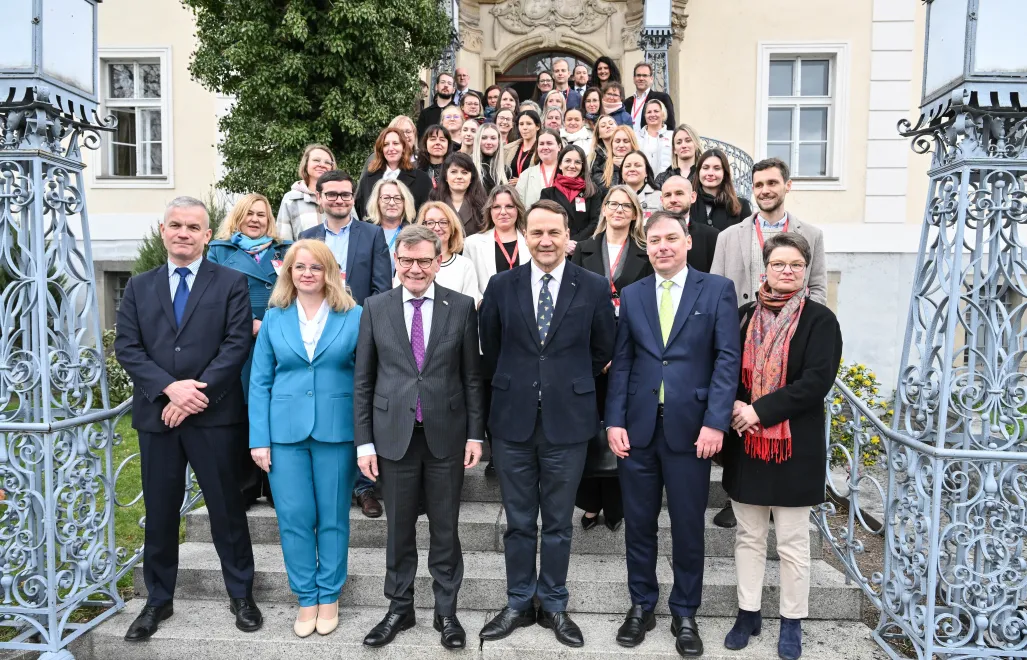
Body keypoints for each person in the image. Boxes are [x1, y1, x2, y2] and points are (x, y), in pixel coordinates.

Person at [115, 196, 261, 641]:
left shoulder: (231, 283)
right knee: (160, 512)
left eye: (193, 227)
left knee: (226, 510)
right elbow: (128, 347)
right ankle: (158, 600)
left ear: (207, 235)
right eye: (175, 225)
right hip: (159, 418)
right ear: (163, 230)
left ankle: (241, 593)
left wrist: (194, 393)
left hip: (213, 417)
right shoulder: (139, 286)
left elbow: (237, 344)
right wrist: (168, 389)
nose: (183, 233)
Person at [478, 199, 616, 649]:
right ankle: (519, 601)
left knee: (558, 522)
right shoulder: (502, 285)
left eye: (553, 232)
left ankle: (554, 602)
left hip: (568, 424)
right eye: (535, 232)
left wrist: (563, 383)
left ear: (566, 235)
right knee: (519, 522)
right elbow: (491, 349)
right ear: (525, 234)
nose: (544, 241)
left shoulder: (593, 287)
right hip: (513, 423)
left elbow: (602, 350)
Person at [605, 211, 741, 656]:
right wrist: (615, 421)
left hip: (692, 431)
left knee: (687, 527)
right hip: (638, 429)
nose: (662, 246)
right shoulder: (634, 292)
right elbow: (622, 362)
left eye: (671, 238)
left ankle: (685, 612)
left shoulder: (716, 289)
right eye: (655, 239)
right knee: (639, 525)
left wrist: (715, 422)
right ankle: (641, 605)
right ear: (646, 245)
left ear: (686, 241)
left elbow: (726, 360)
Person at [355, 224, 486, 650]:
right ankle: (399, 607)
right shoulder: (375, 307)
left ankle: (446, 612)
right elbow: (364, 381)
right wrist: (364, 442)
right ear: (396, 261)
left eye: (424, 261)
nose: (415, 268)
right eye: (407, 260)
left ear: (438, 260)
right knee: (399, 531)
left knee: (446, 529)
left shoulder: (462, 306)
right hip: (393, 437)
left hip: (446, 437)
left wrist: (475, 436)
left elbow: (471, 378)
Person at [721, 232, 842, 660]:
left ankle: (792, 622)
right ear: (765, 268)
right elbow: (725, 368)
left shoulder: (820, 320)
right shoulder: (742, 315)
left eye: (795, 265)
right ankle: (748, 612)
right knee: (749, 537)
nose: (786, 271)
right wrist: (735, 402)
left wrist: (760, 411)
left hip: (794, 448)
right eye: (778, 264)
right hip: (746, 446)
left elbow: (815, 383)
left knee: (792, 542)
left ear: (805, 270)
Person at [247, 239, 361, 639]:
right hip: (283, 435)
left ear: (328, 271)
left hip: (336, 431)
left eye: (315, 267)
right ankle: (306, 596)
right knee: (293, 518)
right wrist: (258, 439)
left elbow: (365, 380)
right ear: (289, 273)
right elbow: (259, 380)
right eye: (299, 267)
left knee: (332, 517)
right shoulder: (275, 317)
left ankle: (329, 595)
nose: (307, 273)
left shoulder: (354, 315)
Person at [298, 171, 391, 518]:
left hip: (359, 332)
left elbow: (381, 289)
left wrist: (363, 328)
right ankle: (329, 482)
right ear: (319, 198)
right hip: (315, 334)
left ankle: (364, 486)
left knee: (359, 405)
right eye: (332, 194)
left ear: (354, 198)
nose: (339, 200)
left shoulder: (372, 235)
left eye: (346, 195)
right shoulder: (307, 237)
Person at [571, 186, 653, 533]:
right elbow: (573, 305)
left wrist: (617, 354)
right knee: (586, 430)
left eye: (625, 205)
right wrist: (599, 354)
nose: (618, 209)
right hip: (589, 358)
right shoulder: (583, 249)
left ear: (634, 213)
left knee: (622, 432)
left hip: (628, 354)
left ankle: (616, 505)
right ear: (603, 209)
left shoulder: (645, 254)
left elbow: (647, 309)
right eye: (612, 204)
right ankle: (590, 503)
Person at [207, 193, 291, 508]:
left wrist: (269, 325)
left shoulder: (285, 250)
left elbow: (297, 293)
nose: (255, 219)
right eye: (249, 214)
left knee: (276, 408)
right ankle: (244, 486)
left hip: (279, 338)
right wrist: (247, 325)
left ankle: (274, 486)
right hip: (236, 342)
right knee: (241, 411)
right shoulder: (219, 250)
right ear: (237, 217)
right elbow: (211, 298)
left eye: (262, 214)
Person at [710, 157, 827, 306]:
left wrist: (804, 323)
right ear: (753, 189)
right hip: (741, 324)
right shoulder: (727, 237)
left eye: (772, 183)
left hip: (793, 327)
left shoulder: (812, 235)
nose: (765, 191)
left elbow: (818, 289)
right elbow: (715, 290)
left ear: (787, 185)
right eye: (759, 185)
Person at [463, 184, 531, 300]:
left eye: (509, 206)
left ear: (518, 209)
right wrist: (483, 305)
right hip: (490, 311)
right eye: (496, 207)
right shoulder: (473, 244)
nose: (503, 212)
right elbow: (469, 283)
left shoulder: (531, 241)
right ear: (489, 211)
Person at [354, 127, 432, 218]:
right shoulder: (368, 178)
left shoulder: (422, 179)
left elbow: (427, 213)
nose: (391, 148)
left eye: (395, 143)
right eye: (386, 144)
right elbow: (360, 211)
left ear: (403, 147)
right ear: (381, 150)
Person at [416, 202, 482, 303]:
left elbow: (469, 307)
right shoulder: (410, 262)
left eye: (443, 222)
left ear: (452, 228)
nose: (437, 228)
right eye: (430, 223)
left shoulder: (465, 266)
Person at [539, 144, 602, 248]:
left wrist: (574, 242)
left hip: (583, 247)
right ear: (560, 165)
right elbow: (544, 222)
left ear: (582, 166)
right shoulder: (547, 193)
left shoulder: (592, 192)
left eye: (577, 162)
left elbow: (595, 222)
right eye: (567, 161)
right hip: (555, 247)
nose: (572, 166)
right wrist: (563, 243)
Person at [277, 144, 336, 241]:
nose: (322, 165)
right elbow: (283, 240)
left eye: (327, 162)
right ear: (306, 164)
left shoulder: (343, 196)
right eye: (316, 160)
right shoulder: (291, 199)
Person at [661, 175, 718, 274]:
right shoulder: (648, 235)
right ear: (662, 200)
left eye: (679, 193)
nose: (673, 199)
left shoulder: (712, 236)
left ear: (693, 197)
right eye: (667, 195)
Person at [692, 148, 752, 232]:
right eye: (705, 168)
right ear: (699, 172)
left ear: (725, 173)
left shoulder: (741, 206)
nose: (710, 173)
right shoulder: (688, 204)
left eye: (717, 168)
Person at [365, 179, 417, 273]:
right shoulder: (364, 232)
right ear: (377, 201)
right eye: (386, 198)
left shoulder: (415, 234)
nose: (392, 203)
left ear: (405, 202)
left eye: (397, 198)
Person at [431, 152, 488, 236]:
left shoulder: (483, 203)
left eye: (464, 172)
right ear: (446, 176)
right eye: (454, 172)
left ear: (471, 178)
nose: (459, 177)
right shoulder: (434, 199)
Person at [516, 128, 561, 208]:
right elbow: (519, 206)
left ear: (559, 147)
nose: (545, 147)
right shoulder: (526, 175)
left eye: (549, 143)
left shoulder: (566, 173)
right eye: (541, 144)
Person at [624, 62, 676, 131]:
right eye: (638, 75)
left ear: (651, 78)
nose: (641, 78)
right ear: (634, 79)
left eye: (645, 75)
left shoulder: (662, 98)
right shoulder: (626, 103)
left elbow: (670, 125)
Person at [655, 124, 703, 189]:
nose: (683, 145)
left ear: (696, 144)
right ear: (674, 149)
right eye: (679, 142)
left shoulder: (704, 174)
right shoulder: (662, 178)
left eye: (688, 141)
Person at [620, 150, 662, 218]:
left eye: (638, 165)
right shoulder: (613, 197)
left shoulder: (660, 197)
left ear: (646, 172)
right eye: (627, 166)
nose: (632, 169)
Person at [597, 124, 640, 190]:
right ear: (612, 144)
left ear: (632, 144)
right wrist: (616, 167)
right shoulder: (600, 170)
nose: (621, 145)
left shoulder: (642, 167)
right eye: (617, 141)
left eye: (626, 141)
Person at [636, 99, 673, 174]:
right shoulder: (635, 136)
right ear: (645, 116)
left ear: (663, 114)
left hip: (666, 181)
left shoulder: (672, 136)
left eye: (656, 111)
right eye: (649, 112)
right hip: (642, 181)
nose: (652, 115)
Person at [472, 123, 509, 194]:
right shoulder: (468, 165)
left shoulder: (506, 171)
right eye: (484, 138)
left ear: (498, 141)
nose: (488, 142)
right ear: (478, 140)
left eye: (493, 138)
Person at [505, 110, 541, 183]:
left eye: (529, 124)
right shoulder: (507, 149)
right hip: (511, 191)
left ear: (537, 126)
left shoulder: (543, 149)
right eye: (521, 124)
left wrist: (522, 181)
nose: (524, 127)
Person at [418, 72, 456, 137]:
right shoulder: (425, 113)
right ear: (436, 87)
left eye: (449, 83)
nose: (446, 85)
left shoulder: (458, 112)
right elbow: (420, 138)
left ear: (453, 90)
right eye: (443, 82)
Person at [417, 124, 452, 189]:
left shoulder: (454, 168)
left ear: (448, 144)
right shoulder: (415, 168)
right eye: (433, 139)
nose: (438, 143)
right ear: (425, 143)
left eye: (442, 140)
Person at [590, 114, 617, 186]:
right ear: (599, 135)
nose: (608, 126)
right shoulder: (593, 159)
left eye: (611, 123)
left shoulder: (629, 151)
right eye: (603, 126)